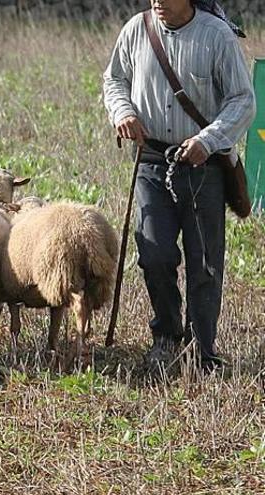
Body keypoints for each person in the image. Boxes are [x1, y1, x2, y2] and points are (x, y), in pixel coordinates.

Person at [102, 0, 255, 371]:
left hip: (202, 164)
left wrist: (208, 139)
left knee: (204, 263)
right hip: (152, 161)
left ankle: (202, 349)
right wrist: (122, 111)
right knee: (154, 254)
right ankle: (166, 337)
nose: (157, 1)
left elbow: (242, 100)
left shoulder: (217, 36)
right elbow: (114, 79)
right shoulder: (136, 29)